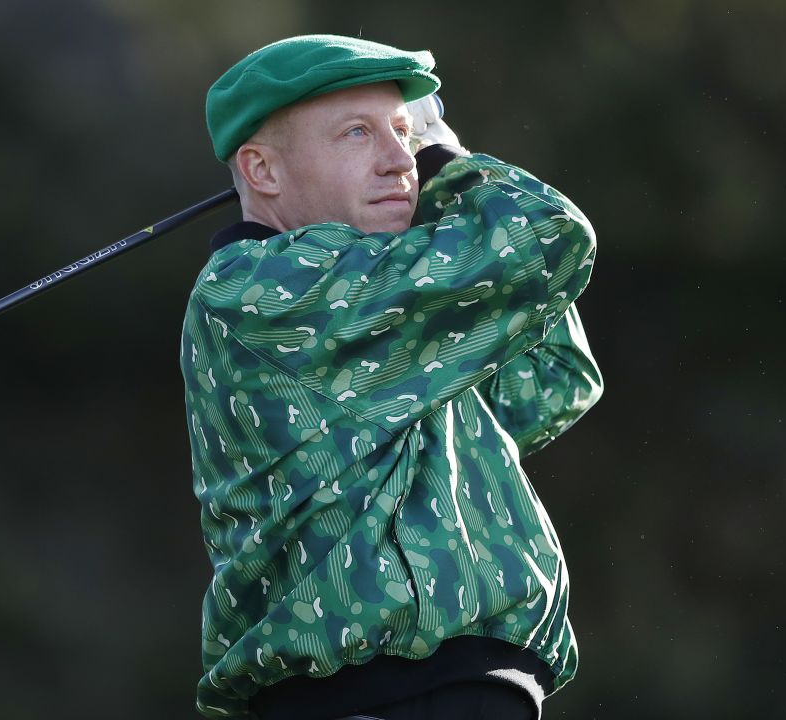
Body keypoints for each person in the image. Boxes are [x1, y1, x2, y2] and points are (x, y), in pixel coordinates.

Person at [179, 35, 602, 720]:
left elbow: (548, 387)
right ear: (262, 170)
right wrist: (449, 166)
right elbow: (548, 238)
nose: (400, 159)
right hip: (372, 699)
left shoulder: (398, 316)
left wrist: (430, 196)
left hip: (469, 693)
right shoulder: (261, 289)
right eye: (357, 133)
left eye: (406, 132)